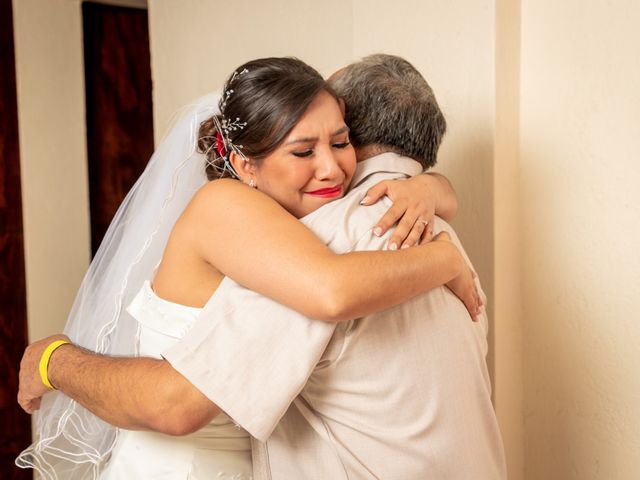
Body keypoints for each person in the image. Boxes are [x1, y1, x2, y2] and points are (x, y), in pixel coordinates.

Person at [17, 57, 477, 479]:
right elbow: (331, 291)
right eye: (302, 152)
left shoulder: (306, 230)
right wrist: (441, 257)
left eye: (341, 142)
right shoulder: (228, 205)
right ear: (244, 165)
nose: (333, 169)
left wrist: (434, 188)